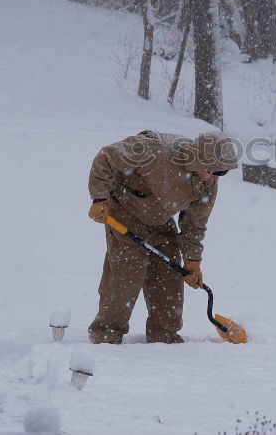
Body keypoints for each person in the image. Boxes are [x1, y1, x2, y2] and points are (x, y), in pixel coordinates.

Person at [86, 130, 238, 344]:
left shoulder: (207, 183)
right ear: (199, 159)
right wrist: (99, 197)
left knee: (169, 272)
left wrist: (193, 261)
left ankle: (164, 335)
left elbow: (194, 224)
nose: (215, 178)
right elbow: (106, 158)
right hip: (125, 210)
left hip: (160, 219)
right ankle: (106, 334)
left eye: (221, 173)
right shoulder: (154, 150)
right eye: (213, 171)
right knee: (128, 269)